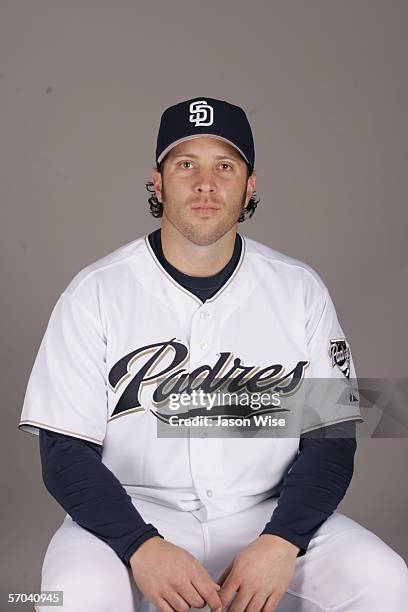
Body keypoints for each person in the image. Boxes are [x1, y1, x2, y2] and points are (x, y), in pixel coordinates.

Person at [20, 97, 408, 611]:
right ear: (157, 183)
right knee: (73, 596)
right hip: (127, 513)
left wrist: (284, 539)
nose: (206, 183)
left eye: (225, 166)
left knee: (384, 580)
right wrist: (140, 545)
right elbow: (64, 454)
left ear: (250, 186)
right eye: (186, 165)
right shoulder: (94, 292)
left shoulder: (300, 290)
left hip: (267, 512)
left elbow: (332, 440)